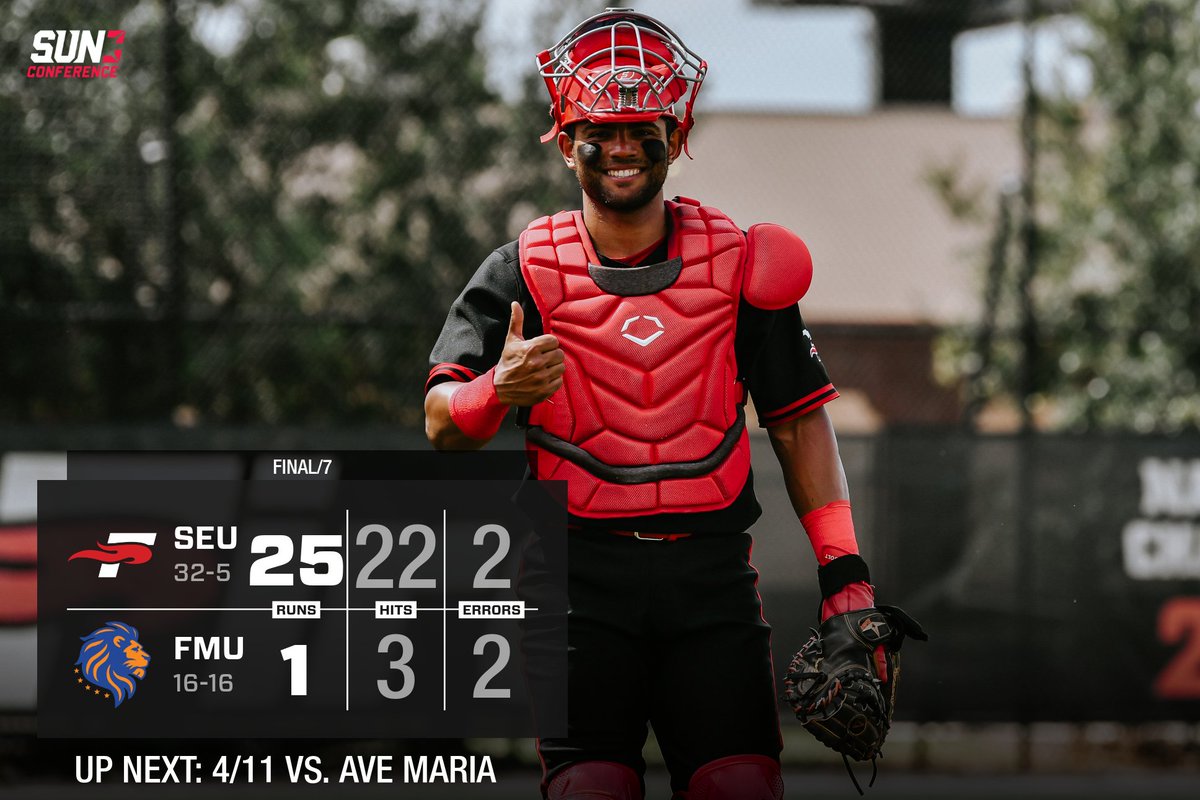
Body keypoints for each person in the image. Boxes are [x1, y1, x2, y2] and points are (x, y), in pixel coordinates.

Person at [425, 9, 878, 799]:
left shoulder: (742, 264)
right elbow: (439, 422)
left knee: (739, 785)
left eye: (644, 126)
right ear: (568, 143)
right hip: (575, 587)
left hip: (710, 580)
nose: (625, 146)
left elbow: (798, 418)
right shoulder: (517, 272)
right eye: (602, 128)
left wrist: (846, 573)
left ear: (678, 130)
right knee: (593, 787)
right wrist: (498, 389)